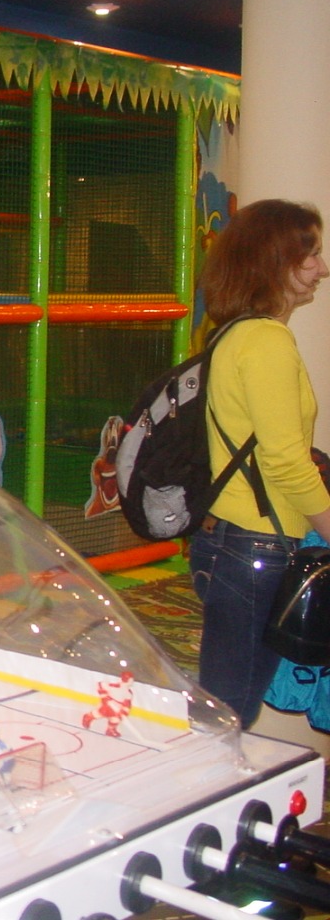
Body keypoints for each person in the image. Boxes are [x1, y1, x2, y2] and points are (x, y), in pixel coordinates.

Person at [192, 198, 330, 728]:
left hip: (231, 539)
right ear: (274, 262)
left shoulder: (233, 333)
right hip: (256, 545)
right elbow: (286, 462)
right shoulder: (268, 342)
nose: (321, 268)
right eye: (310, 255)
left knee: (224, 702)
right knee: (228, 711)